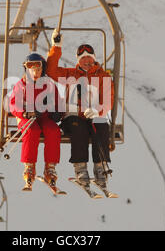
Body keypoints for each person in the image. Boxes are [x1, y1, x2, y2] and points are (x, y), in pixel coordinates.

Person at [46, 29, 115, 190]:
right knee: (79, 129)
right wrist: (56, 47)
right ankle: (80, 168)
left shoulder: (103, 76)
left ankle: (100, 167)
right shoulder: (71, 74)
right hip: (73, 116)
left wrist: (98, 111)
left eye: (89, 58)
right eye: (83, 58)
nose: (86, 61)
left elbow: (108, 100)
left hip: (94, 115)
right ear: (78, 61)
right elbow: (51, 72)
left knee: (102, 127)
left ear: (94, 59)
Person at [9, 53, 63, 190]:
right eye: (32, 70)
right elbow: (14, 104)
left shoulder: (49, 84)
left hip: (44, 116)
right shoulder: (21, 85)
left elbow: (57, 101)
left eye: (38, 70)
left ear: (42, 70)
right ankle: (29, 166)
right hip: (27, 117)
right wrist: (24, 113)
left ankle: (50, 167)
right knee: (31, 131)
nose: (35, 73)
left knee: (53, 130)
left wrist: (57, 112)